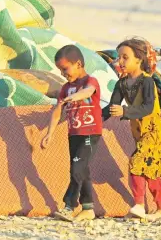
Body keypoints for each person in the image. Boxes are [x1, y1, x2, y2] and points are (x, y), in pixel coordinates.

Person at [102, 38, 161, 222]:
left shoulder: (147, 82)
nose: (120, 61)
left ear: (139, 60)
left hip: (153, 131)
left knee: (137, 163)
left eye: (125, 57)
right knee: (149, 170)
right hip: (137, 131)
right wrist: (94, 120)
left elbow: (147, 107)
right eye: (118, 57)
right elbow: (111, 107)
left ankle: (139, 205)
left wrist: (125, 110)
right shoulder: (121, 84)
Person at [42, 45, 102, 222]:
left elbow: (88, 92)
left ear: (78, 64)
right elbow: (57, 111)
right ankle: (88, 208)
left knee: (78, 168)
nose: (63, 74)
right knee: (81, 171)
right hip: (73, 134)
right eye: (60, 70)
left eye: (65, 69)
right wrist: (49, 134)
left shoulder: (90, 81)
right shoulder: (65, 88)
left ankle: (69, 205)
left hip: (90, 133)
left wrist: (74, 98)